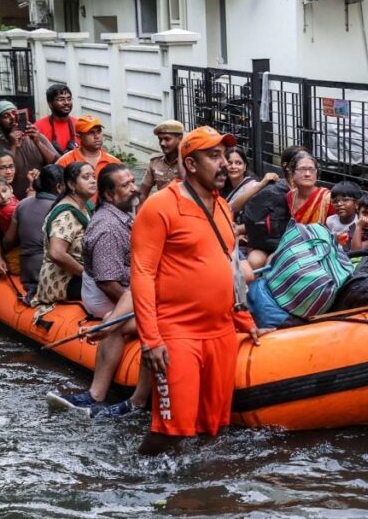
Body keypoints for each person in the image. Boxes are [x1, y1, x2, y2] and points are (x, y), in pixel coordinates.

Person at [131, 126, 270, 455]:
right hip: (177, 332)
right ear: (191, 165)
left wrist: (245, 319)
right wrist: (151, 339)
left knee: (213, 428)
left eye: (224, 155)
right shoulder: (159, 207)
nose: (223, 163)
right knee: (171, 431)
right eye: (214, 156)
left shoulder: (222, 207)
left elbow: (231, 268)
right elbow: (142, 273)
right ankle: (137, 487)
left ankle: (203, 498)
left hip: (220, 333)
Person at [49, 163, 153, 418]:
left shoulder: (123, 214)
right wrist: (141, 310)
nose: (135, 188)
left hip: (127, 293)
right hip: (111, 295)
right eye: (126, 185)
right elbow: (109, 283)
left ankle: (96, 394)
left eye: (132, 182)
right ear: (108, 195)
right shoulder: (107, 227)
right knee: (115, 319)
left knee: (112, 322)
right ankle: (106, 396)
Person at [33, 161, 98, 310]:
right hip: (63, 280)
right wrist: (86, 275)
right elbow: (56, 253)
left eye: (94, 176)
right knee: (111, 287)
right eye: (86, 177)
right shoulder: (65, 214)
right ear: (71, 184)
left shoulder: (86, 206)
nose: (93, 180)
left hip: (82, 275)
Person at [3, 164, 64, 300]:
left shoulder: (22, 204)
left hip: (28, 274)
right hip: (51, 275)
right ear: (59, 187)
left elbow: (8, 240)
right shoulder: (62, 209)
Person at [242, 144, 306, 270]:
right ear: (286, 167)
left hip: (295, 245)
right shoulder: (272, 190)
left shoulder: (313, 192)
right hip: (268, 243)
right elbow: (254, 217)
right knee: (254, 261)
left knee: (274, 261)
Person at [0, 100, 59, 199]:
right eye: (6, 116)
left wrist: (37, 142)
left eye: (14, 113)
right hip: (14, 202)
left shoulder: (37, 136)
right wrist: (13, 145)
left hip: (45, 197)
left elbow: (58, 163)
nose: (12, 118)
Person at [55, 115, 121, 205]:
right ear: (79, 137)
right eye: (90, 132)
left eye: (99, 131)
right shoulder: (65, 161)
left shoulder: (114, 163)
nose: (96, 136)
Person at [223, 147, 279, 216]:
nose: (233, 166)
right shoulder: (220, 185)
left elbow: (231, 209)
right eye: (229, 163)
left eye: (238, 163)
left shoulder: (253, 186)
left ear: (245, 167)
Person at [139, 120, 183, 202]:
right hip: (162, 209)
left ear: (180, 139)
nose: (162, 143)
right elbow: (143, 193)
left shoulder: (189, 162)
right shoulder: (155, 162)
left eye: (167, 139)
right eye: (160, 139)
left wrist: (181, 151)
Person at [286, 151, 334, 226]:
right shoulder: (290, 196)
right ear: (292, 174)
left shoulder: (328, 198)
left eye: (312, 170)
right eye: (302, 169)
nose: (307, 174)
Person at [34, 83, 78, 155]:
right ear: (50, 104)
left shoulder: (79, 125)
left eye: (69, 99)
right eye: (61, 99)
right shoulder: (38, 128)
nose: (66, 102)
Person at [325, 181, 362, 250]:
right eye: (335, 201)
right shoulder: (330, 221)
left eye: (345, 200)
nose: (339, 204)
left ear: (357, 204)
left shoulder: (360, 222)